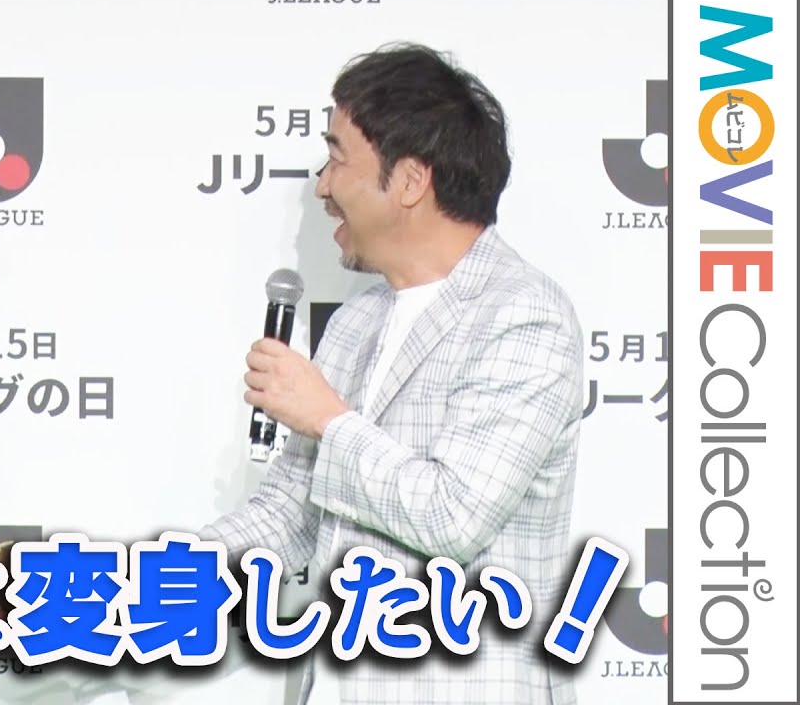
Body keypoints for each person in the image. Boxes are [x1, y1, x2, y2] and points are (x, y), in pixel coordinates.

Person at [199, 42, 585, 704]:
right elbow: (287, 517)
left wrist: (328, 419)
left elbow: (453, 517)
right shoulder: (357, 321)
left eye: (338, 158)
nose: (323, 185)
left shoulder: (525, 314)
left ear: (409, 180)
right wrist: (125, 584)